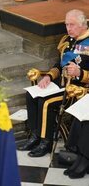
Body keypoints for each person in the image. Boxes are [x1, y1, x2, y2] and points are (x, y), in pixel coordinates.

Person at [18, 9, 89, 157]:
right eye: (67, 24)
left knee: (46, 102)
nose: (69, 28)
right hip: (61, 84)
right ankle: (35, 136)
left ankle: (46, 142)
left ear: (83, 25)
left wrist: (80, 73)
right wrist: (49, 76)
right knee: (31, 95)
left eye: (72, 25)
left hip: (78, 90)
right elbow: (59, 64)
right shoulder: (67, 40)